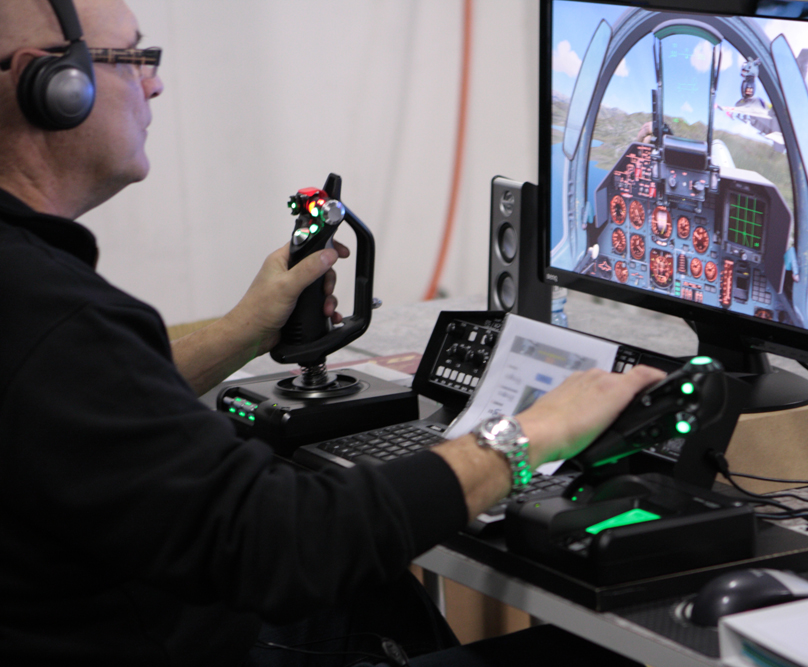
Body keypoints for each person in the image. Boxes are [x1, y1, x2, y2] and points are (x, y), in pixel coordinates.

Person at [0, 1, 664, 664]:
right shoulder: (53, 314)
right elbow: (285, 541)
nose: (155, 83)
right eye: (132, 58)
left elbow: (83, 402)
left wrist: (244, 331)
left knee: (380, 595)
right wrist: (530, 435)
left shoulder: (35, 301)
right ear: (52, 85)